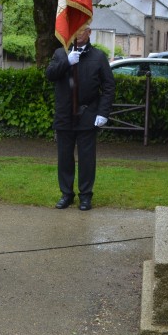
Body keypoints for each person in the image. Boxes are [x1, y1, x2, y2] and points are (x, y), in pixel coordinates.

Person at [45, 26, 114, 211]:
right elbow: (50, 75)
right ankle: (66, 194)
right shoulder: (61, 53)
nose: (77, 34)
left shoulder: (98, 56)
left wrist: (103, 113)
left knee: (86, 158)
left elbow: (108, 86)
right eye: (74, 30)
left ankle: (85, 195)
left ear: (89, 32)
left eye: (81, 30)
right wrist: (66, 62)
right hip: (65, 115)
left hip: (88, 114)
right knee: (65, 158)